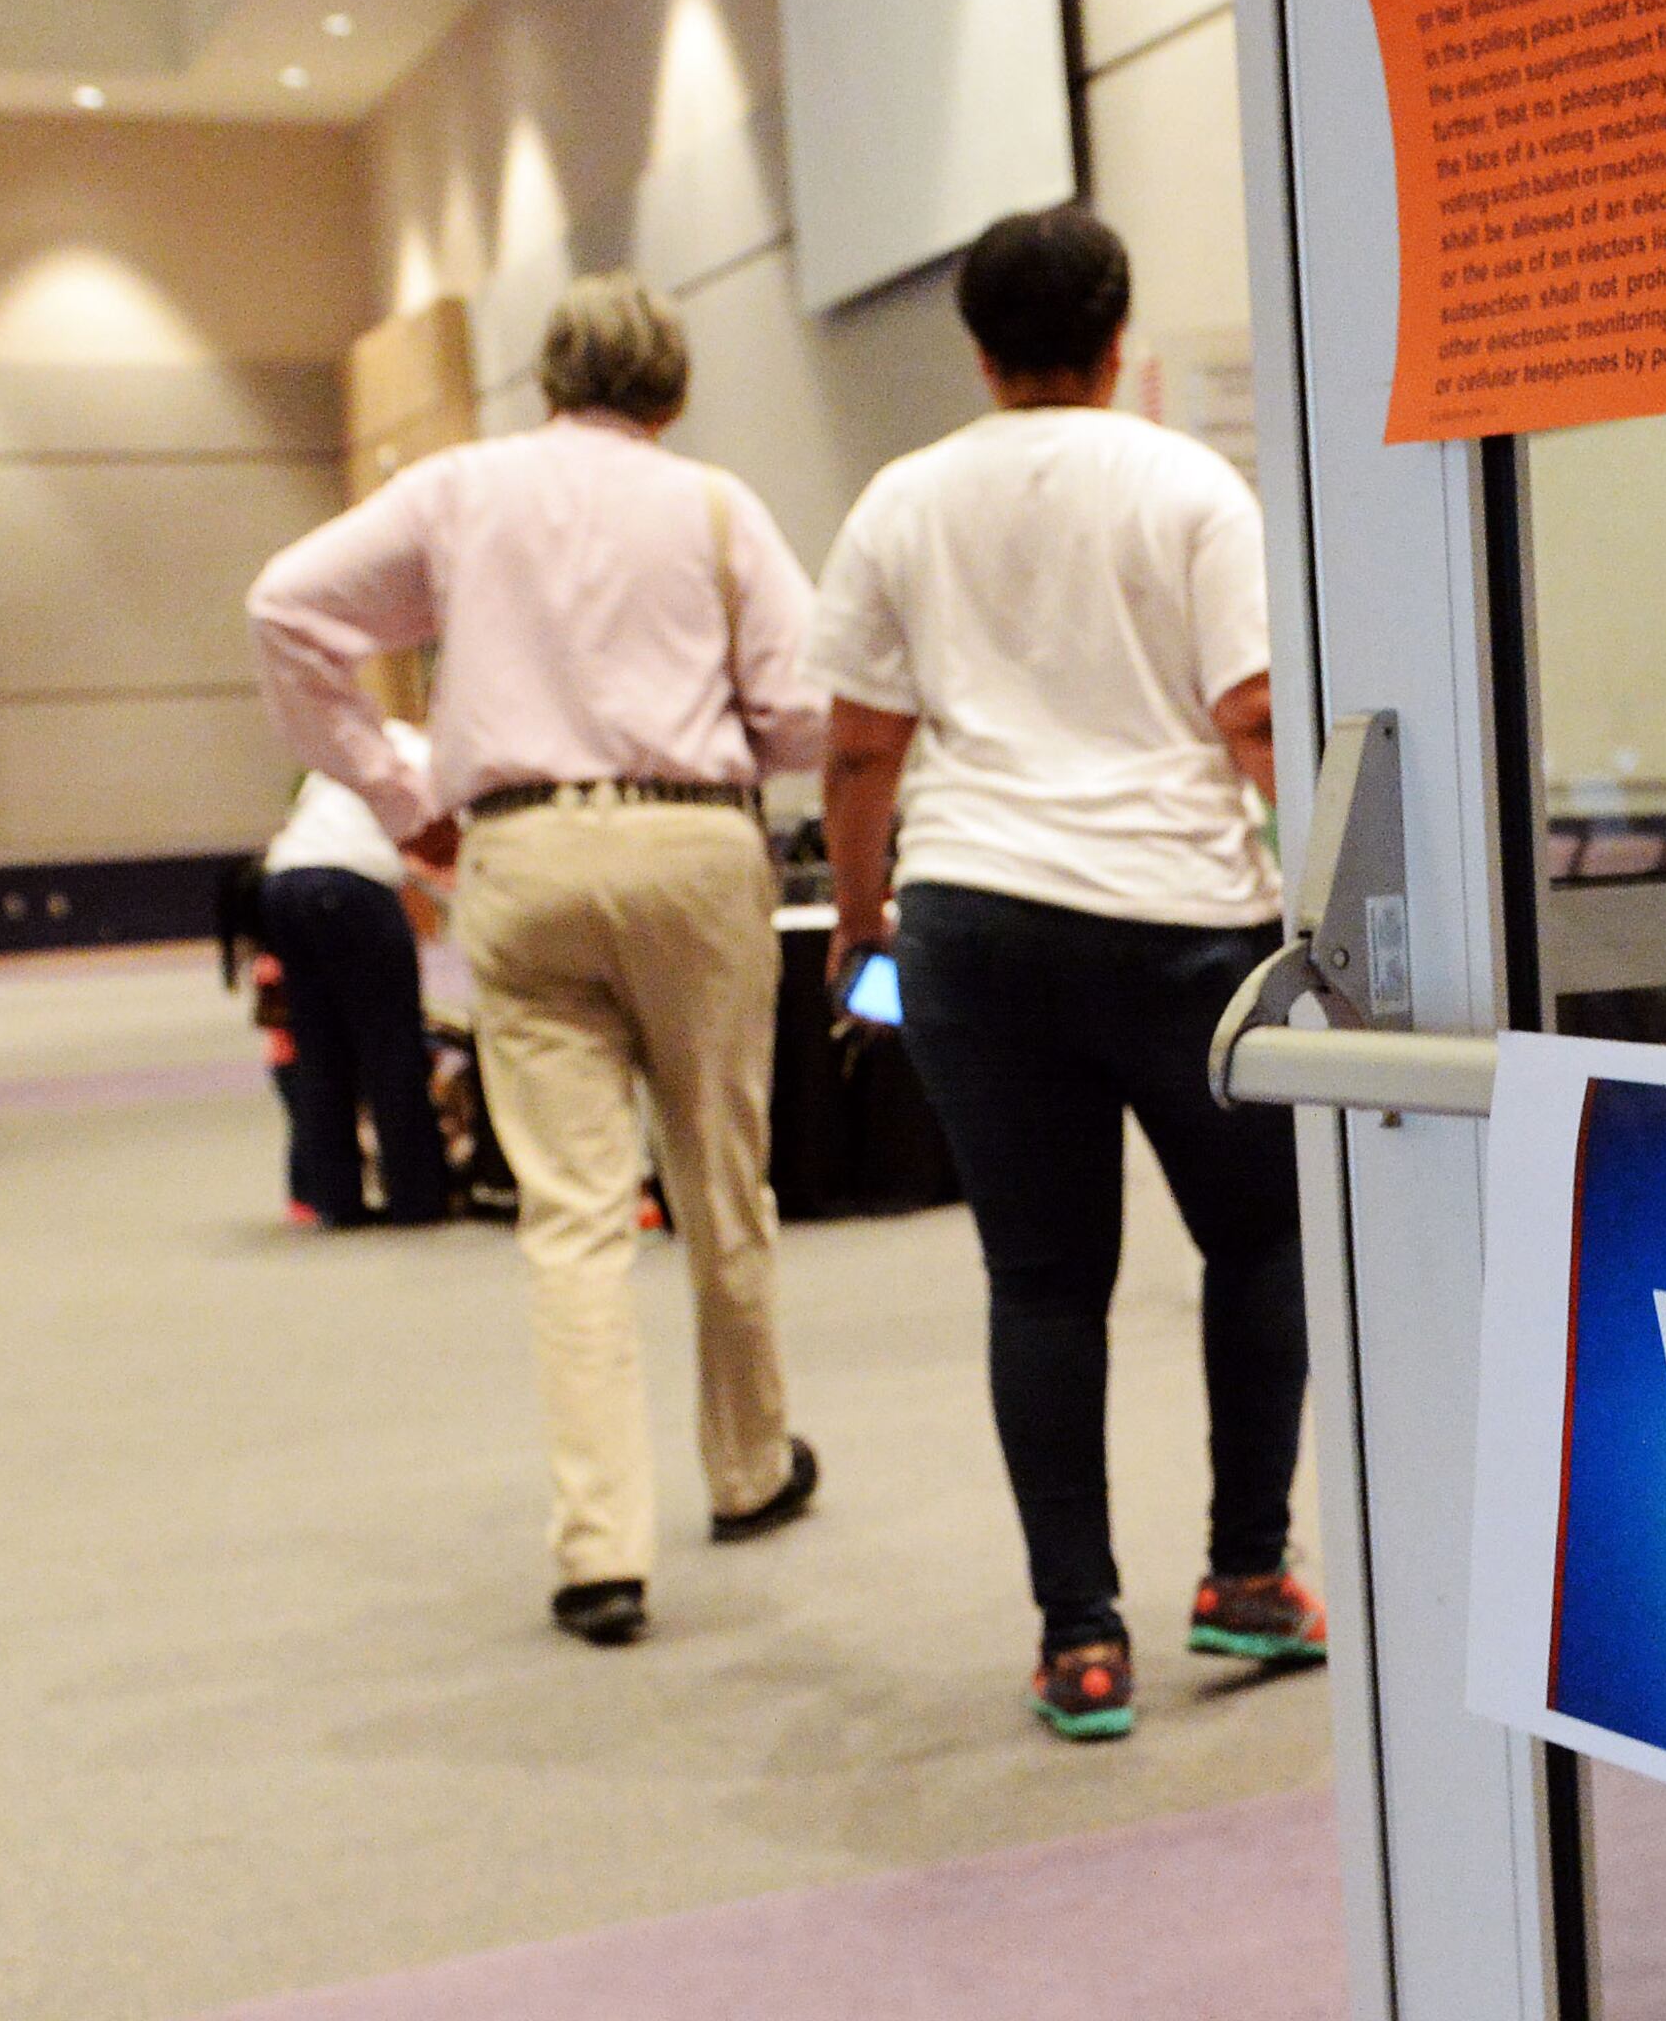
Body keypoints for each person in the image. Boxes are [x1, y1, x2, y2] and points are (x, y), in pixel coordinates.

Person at [249, 272, 824, 1647]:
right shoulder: (717, 506)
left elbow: (286, 608)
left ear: (548, 385)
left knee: (572, 1214)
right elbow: (800, 712)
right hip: (693, 850)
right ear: (673, 393)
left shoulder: (461, 492)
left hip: (518, 855)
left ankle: (598, 1551)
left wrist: (400, 792)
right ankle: (747, 1470)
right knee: (718, 1175)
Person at [811, 206, 1319, 1741]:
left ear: (977, 348)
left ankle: (1078, 1641)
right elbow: (1251, 713)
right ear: (1120, 337)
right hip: (1180, 925)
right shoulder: (1185, 483)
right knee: (1260, 1242)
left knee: (1041, 1282)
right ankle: (1243, 1578)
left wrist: (858, 914)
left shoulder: (898, 500)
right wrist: (1319, 899)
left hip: (973, 920)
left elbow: (857, 744)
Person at [259, 770, 453, 1227]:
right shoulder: (422, 757)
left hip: (281, 886)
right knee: (391, 1046)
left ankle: (334, 1199)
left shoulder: (328, 768)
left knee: (320, 1049)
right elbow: (440, 847)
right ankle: (416, 1198)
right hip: (354, 888)